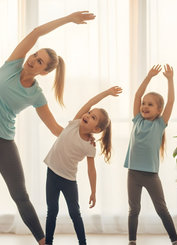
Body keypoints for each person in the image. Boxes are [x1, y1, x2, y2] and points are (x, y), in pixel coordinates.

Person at [0, 11, 96, 245]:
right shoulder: (12, 65)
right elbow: (35, 33)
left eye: (40, 61)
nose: (33, 59)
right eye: (35, 55)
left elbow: (54, 127)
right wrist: (68, 19)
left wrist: (82, 136)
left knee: (20, 195)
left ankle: (42, 242)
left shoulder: (36, 94)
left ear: (44, 72)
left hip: (3, 141)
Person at [44, 86, 122, 245]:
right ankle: (48, 242)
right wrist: (107, 93)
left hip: (68, 180)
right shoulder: (74, 123)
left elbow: (91, 170)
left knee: (75, 212)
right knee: (52, 211)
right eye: (89, 113)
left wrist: (93, 191)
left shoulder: (90, 146)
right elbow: (90, 102)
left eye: (93, 117)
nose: (87, 115)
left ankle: (83, 242)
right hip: (52, 172)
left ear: (96, 129)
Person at [124, 64, 177, 245]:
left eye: (150, 104)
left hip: (150, 175)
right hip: (133, 173)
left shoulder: (160, 124)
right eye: (144, 104)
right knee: (134, 209)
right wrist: (148, 77)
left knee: (161, 209)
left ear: (158, 110)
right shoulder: (137, 119)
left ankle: (175, 240)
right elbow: (137, 96)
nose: (144, 106)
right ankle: (132, 241)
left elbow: (171, 102)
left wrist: (170, 80)